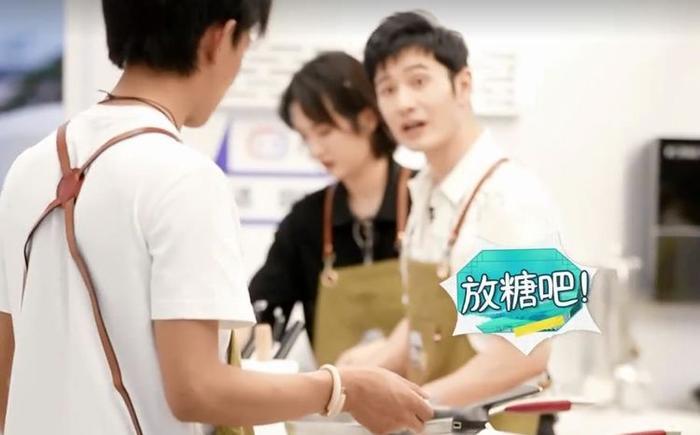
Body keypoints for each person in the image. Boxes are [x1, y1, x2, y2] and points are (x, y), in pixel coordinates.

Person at [0, 2, 433, 434]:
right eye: (245, 45)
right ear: (219, 40)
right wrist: (344, 388)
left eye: (418, 82)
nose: (405, 106)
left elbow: (7, 361)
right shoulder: (186, 177)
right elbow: (198, 389)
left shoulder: (28, 168)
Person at [360, 11, 560, 435]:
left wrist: (411, 406)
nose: (403, 102)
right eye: (387, 89)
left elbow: (526, 352)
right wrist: (364, 371)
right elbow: (425, 317)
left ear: (462, 85)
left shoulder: (511, 196)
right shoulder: (424, 192)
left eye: (418, 81)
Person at [249, 51, 411, 366]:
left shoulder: (428, 201)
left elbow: (459, 313)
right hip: (339, 396)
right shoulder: (305, 221)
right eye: (305, 137)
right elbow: (260, 309)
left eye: (324, 131)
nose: (315, 149)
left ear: (368, 118)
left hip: (433, 395)